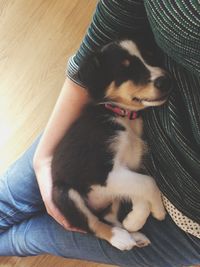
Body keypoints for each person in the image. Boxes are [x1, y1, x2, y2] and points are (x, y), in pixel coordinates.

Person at [0, 1, 199, 266]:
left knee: (24, 238)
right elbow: (117, 15)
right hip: (107, 135)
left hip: (184, 213)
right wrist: (44, 156)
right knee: (9, 206)